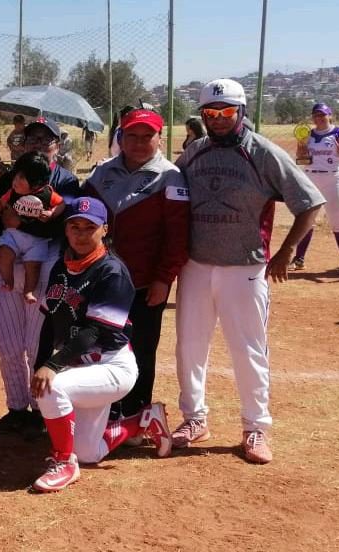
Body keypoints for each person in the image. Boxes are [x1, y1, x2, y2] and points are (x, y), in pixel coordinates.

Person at [173, 78, 324, 464]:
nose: (219, 119)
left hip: (245, 267)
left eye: (226, 112)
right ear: (202, 115)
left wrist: (286, 252)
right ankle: (194, 418)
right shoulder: (193, 153)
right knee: (190, 347)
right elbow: (170, 196)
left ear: (241, 111)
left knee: (248, 349)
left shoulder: (264, 153)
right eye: (211, 112)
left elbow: (310, 203)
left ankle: (255, 427)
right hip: (195, 264)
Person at [29, 197, 172, 493]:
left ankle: (63, 463)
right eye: (75, 227)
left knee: (52, 387)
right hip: (81, 364)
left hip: (111, 366)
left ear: (104, 229)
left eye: (89, 227)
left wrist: (52, 366)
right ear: (66, 231)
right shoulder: (61, 266)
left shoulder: (112, 272)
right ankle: (143, 421)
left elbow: (94, 331)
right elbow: (49, 319)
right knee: (90, 453)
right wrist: (40, 362)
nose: (81, 234)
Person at [81, 108, 190, 434]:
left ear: (159, 138)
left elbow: (178, 236)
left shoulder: (170, 177)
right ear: (121, 137)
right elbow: (84, 220)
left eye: (148, 136)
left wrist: (163, 278)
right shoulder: (102, 173)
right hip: (102, 281)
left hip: (144, 284)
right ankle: (105, 415)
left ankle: (138, 417)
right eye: (132, 136)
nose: (139, 143)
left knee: (141, 349)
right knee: (99, 347)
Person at [0, 117, 81, 438]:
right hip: (9, 265)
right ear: (23, 144)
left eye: (46, 138)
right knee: (10, 343)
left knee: (36, 343)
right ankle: (16, 408)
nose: (39, 143)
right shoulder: (12, 178)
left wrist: (22, 226)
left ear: (57, 144)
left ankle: (42, 411)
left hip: (46, 266)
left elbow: (65, 227)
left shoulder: (65, 181)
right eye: (33, 138)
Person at [0, 151, 66, 304]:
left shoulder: (47, 193)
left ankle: (29, 291)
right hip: (13, 235)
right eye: (16, 175)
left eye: (21, 178)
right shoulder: (12, 192)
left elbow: (61, 204)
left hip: (37, 241)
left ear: (35, 183)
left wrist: (52, 213)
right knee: (4, 254)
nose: (15, 180)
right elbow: (0, 203)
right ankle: (8, 281)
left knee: (33, 266)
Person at [290, 102, 339, 270]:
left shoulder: (337, 133)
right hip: (311, 178)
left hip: (332, 178)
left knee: (336, 221)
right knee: (306, 219)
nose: (319, 118)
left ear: (330, 115)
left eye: (323, 115)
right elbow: (301, 159)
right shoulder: (308, 135)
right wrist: (301, 149)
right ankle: (299, 259)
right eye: (316, 115)